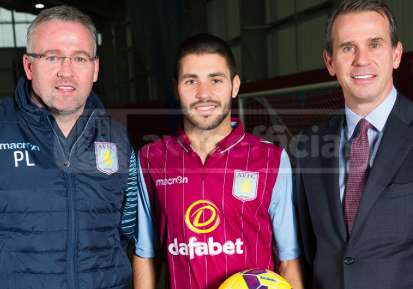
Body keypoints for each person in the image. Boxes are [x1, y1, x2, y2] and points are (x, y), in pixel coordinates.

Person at [133, 33, 303, 289]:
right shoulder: (151, 158)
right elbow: (145, 255)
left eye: (216, 80)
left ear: (235, 85)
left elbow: (288, 261)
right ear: (176, 87)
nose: (204, 93)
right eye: (191, 81)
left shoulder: (271, 159)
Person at [0, 5, 140, 289]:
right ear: (29, 65)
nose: (67, 72)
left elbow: (130, 231)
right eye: (52, 57)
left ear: (95, 68)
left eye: (79, 58)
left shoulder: (118, 139)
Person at [294, 1, 413, 289]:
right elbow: (310, 249)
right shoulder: (308, 146)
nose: (362, 59)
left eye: (375, 44)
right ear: (330, 62)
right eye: (348, 47)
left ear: (396, 54)